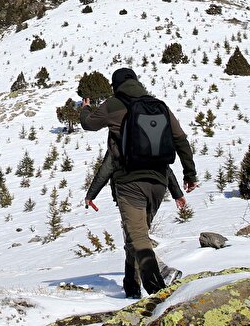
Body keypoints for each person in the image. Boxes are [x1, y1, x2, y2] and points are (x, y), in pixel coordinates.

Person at [80, 67, 198, 297]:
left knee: (138, 237)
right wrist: (189, 177)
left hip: (129, 183)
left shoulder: (113, 104)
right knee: (134, 235)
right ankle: (131, 287)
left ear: (115, 86)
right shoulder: (158, 107)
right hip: (158, 184)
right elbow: (181, 141)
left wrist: (85, 109)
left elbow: (89, 124)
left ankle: (157, 294)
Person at [86, 156, 186, 294]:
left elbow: (107, 168)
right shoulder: (150, 139)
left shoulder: (119, 137)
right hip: (156, 189)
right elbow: (166, 167)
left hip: (128, 191)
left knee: (136, 238)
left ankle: (163, 272)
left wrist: (91, 195)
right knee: (133, 238)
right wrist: (177, 193)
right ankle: (131, 287)